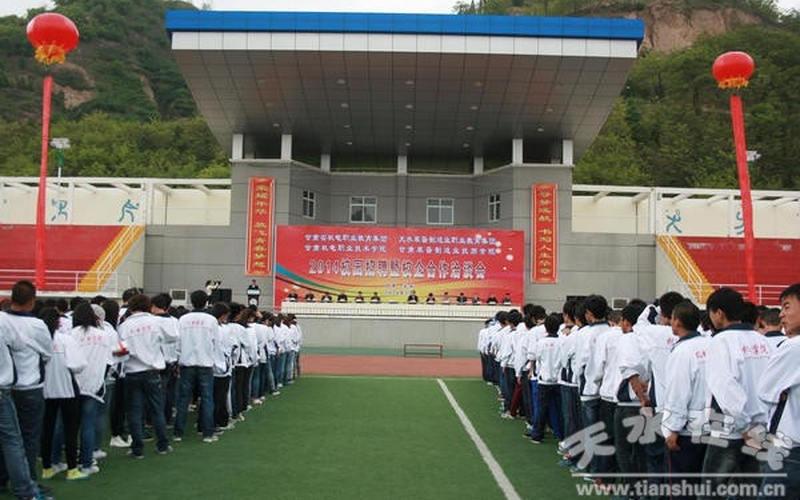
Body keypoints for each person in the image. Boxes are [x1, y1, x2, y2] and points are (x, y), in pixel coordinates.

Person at [701, 287, 771, 498]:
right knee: (748, 489)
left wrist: (744, 425)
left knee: (710, 491)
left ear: (719, 313)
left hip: (732, 428)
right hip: (761, 428)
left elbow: (725, 387)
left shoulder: (721, 341)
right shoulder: (763, 341)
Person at [0, 281, 53, 487]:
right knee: (29, 438)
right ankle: (27, 481)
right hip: (30, 387)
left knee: (7, 438)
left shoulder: (2, 320)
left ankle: (5, 478)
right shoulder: (37, 325)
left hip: (7, 387)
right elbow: (47, 353)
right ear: (32, 301)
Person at [118, 294, 178, 458]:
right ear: (148, 306)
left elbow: (119, 350)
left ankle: (137, 449)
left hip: (132, 371)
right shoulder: (155, 322)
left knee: (135, 412)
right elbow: (172, 337)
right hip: (152, 370)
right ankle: (163, 445)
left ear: (131, 307)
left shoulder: (125, 326)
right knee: (157, 409)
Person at [662, 300, 710, 497]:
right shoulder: (711, 343)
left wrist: (672, 428)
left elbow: (679, 392)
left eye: (672, 318)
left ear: (678, 322)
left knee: (681, 485)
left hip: (687, 430)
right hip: (712, 425)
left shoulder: (682, 351)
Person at [757, 282, 800, 499]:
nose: (782, 315)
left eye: (787, 307)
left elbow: (765, 390)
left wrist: (782, 390)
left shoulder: (793, 347)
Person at [40, 305, 88, 481]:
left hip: (45, 390)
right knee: (70, 430)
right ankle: (72, 469)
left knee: (47, 429)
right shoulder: (65, 340)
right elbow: (79, 364)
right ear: (58, 321)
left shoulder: (38, 339)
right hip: (67, 389)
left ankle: (47, 468)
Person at [71, 303, 116, 475]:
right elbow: (108, 362)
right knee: (88, 424)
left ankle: (62, 460)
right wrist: (100, 381)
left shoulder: (70, 335)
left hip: (73, 385)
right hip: (94, 385)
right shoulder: (103, 335)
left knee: (69, 425)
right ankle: (87, 462)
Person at [173, 290, 218, 444]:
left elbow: (177, 342)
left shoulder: (183, 319)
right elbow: (215, 342)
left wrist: (177, 359)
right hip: (205, 363)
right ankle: (207, 433)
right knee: (207, 398)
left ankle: (178, 433)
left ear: (191, 301)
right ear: (206, 302)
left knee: (183, 399)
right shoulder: (211, 320)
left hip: (186, 363)